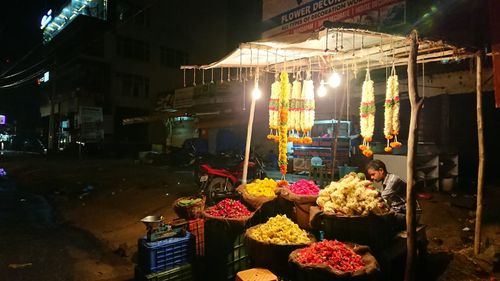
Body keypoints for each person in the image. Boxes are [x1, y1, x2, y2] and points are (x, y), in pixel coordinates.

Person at [366, 159, 408, 228]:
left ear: (381, 171)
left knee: (376, 221)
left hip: (407, 215)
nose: (372, 177)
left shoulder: (393, 180)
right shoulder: (385, 180)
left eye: (373, 174)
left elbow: (381, 197)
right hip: (399, 211)